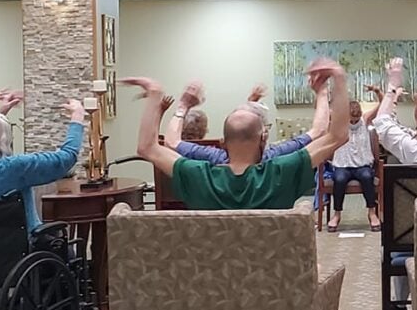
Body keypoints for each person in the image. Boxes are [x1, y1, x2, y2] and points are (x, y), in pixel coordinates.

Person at [124, 59, 349, 211]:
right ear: (263, 139)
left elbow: (148, 147)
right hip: (275, 276)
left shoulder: (199, 175)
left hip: (212, 277)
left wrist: (156, 95)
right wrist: (337, 80)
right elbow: (336, 135)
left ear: (222, 143)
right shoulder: (280, 171)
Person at [0, 93, 85, 237]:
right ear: (6, 138)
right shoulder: (16, 168)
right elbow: (67, 158)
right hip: (18, 252)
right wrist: (77, 118)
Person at [164, 80, 328, 166]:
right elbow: (319, 131)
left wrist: (183, 106)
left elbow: (171, 142)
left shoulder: (210, 162)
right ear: (264, 139)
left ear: (222, 143)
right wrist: (322, 92)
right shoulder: (276, 162)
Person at [327, 99, 381, 233]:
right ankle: (337, 214)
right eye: (351, 119)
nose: (354, 122)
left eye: (356, 119)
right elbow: (325, 112)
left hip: (362, 165)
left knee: (367, 176)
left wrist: (379, 93)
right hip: (343, 165)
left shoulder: (365, 120)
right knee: (339, 179)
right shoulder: (339, 122)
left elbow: (381, 106)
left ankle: (371, 212)